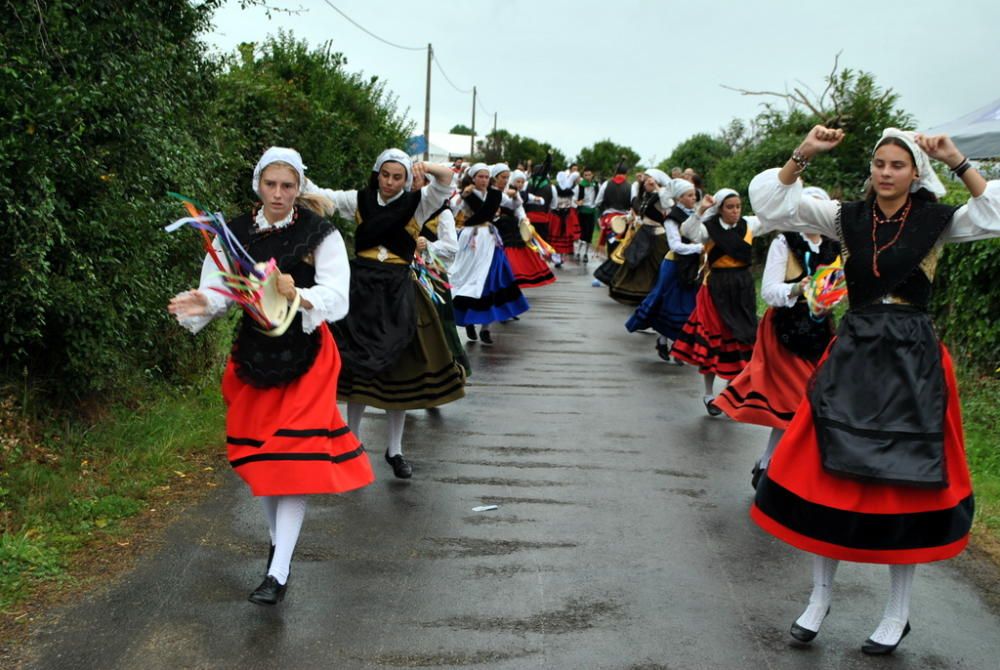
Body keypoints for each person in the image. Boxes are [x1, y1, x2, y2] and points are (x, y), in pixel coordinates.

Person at [748, 125, 1000, 654]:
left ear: (914, 173)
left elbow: (995, 210)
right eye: (879, 164)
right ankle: (818, 599)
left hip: (913, 360)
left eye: (897, 165)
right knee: (827, 474)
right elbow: (773, 207)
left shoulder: (940, 220)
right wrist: (805, 154)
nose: (885, 173)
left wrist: (956, 159)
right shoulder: (846, 217)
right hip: (856, 352)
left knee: (903, 484)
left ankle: (897, 612)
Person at [168, 147, 374, 605]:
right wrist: (203, 303)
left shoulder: (320, 233)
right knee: (261, 457)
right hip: (255, 356)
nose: (279, 194)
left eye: (288, 186)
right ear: (258, 184)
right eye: (271, 185)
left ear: (300, 188)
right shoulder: (234, 233)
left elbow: (337, 295)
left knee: (294, 461)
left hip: (308, 355)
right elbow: (221, 289)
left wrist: (297, 292)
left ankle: (278, 572)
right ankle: (278, 546)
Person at [306, 149, 466, 480]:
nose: (391, 182)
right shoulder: (359, 200)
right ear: (376, 173)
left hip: (397, 292)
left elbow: (446, 178)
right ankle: (351, 441)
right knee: (358, 370)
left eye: (398, 177)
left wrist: (423, 166)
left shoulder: (419, 203)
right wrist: (290, 164)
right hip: (361, 289)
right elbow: (318, 194)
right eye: (386, 175)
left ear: (407, 179)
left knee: (399, 372)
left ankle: (395, 450)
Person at [713, 187, 841, 488]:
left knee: (807, 403)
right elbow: (768, 291)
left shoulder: (833, 247)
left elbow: (835, 288)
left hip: (819, 329)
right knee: (796, 400)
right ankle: (771, 465)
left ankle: (768, 463)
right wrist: (797, 289)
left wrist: (828, 298)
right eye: (811, 210)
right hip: (784, 328)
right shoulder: (785, 241)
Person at [670, 188, 761, 413]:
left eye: (738, 207)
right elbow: (688, 231)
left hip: (742, 287)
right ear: (720, 209)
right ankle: (709, 394)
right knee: (714, 341)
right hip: (716, 288)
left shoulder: (749, 225)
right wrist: (701, 209)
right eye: (730, 207)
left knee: (740, 338)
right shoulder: (708, 230)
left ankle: (730, 393)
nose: (735, 211)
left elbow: (775, 216)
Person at [449, 162, 531, 344]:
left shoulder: (495, 195)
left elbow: (515, 204)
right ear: (473, 178)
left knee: (492, 279)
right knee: (469, 279)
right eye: (480, 176)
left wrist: (515, 193)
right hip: (473, 240)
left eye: (486, 177)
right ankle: (469, 321)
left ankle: (486, 328)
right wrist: (463, 196)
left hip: (491, 240)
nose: (484, 180)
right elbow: (453, 209)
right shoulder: (468, 194)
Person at [625, 178, 704, 358]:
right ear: (679, 198)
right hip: (674, 264)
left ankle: (675, 344)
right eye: (689, 195)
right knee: (666, 303)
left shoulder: (696, 214)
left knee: (685, 306)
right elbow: (675, 245)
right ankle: (666, 341)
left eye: (694, 195)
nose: (693, 198)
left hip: (691, 265)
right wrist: (699, 248)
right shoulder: (672, 218)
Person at [411, 170, 471, 378]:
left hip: (431, 275)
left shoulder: (442, 212)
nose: (411, 184)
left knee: (437, 323)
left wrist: (427, 245)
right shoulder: (401, 206)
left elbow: (451, 247)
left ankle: (448, 370)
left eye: (415, 180)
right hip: (402, 272)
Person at [608, 168, 673, 305]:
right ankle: (638, 294)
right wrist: (626, 218)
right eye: (645, 179)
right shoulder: (645, 197)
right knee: (636, 263)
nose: (645, 181)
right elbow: (640, 214)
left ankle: (661, 295)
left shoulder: (662, 196)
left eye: (649, 179)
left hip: (658, 236)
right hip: (643, 233)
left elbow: (669, 206)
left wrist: (657, 187)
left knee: (656, 265)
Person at [499, 169, 557, 289]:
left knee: (516, 253)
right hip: (500, 226)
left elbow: (524, 206)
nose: (519, 184)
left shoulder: (521, 194)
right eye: (517, 181)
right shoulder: (501, 192)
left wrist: (524, 218)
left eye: (522, 182)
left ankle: (513, 277)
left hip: (513, 227)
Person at [551, 164, 582, 264]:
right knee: (562, 235)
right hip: (564, 215)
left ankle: (558, 256)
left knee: (559, 235)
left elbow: (554, 202)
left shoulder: (555, 189)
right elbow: (571, 202)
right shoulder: (569, 190)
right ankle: (559, 256)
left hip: (559, 215)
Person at [575, 167, 600, 263]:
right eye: (586, 175)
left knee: (590, 233)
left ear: (592, 175)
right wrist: (577, 202)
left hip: (592, 211)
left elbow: (600, 196)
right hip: (583, 211)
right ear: (583, 176)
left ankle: (585, 253)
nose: (588, 177)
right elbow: (574, 198)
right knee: (583, 232)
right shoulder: (579, 186)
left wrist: (597, 205)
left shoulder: (596, 185)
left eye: (589, 175)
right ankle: (578, 252)